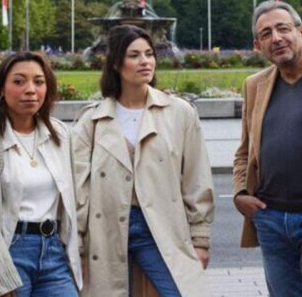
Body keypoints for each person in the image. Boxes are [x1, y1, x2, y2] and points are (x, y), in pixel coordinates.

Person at [73, 25, 214, 297]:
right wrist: (77, 245)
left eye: (149, 54)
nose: (145, 61)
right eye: (134, 55)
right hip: (104, 231)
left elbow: (196, 179)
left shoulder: (179, 113)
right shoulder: (90, 120)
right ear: (116, 63)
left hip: (159, 227)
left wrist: (200, 239)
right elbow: (80, 189)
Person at [0, 52, 82, 297]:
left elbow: (74, 201)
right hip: (9, 253)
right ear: (2, 89)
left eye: (39, 82)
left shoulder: (61, 135)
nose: (30, 90)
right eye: (19, 81)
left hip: (54, 253)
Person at [232, 0, 302, 297]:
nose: (276, 38)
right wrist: (241, 193)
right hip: (271, 218)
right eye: (266, 33)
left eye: (283, 28)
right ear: (258, 45)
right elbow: (245, 150)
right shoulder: (254, 84)